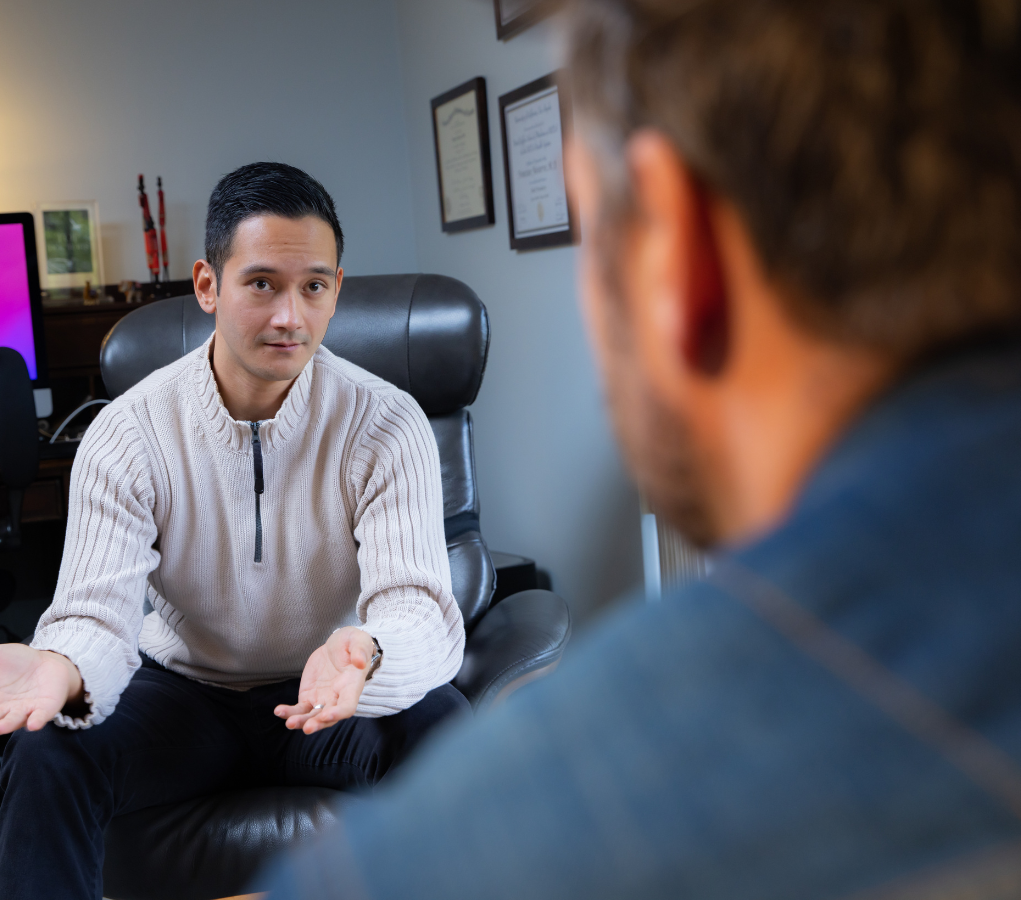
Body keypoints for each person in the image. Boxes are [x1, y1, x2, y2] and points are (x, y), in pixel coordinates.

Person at [257, 1, 1021, 897]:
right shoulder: (145, 428)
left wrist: (367, 653)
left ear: (676, 251)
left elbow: (422, 616)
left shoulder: (413, 869)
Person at [0, 162, 468, 900]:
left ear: (336, 291)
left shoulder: (385, 422)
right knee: (47, 747)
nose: (290, 316)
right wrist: (65, 665)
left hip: (329, 693)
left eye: (313, 286)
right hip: (186, 697)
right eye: (261, 284)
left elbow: (418, 607)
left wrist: (365, 655)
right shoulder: (128, 434)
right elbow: (98, 613)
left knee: (448, 727)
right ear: (208, 286)